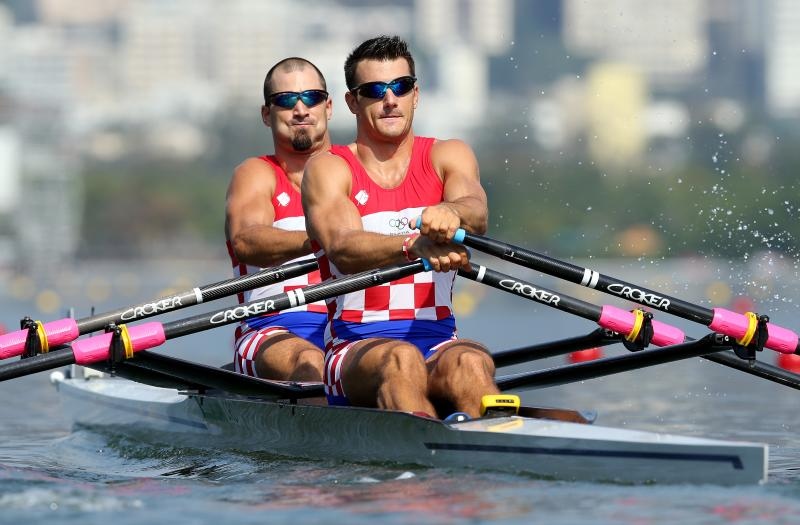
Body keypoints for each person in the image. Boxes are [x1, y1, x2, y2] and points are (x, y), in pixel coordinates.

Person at [302, 36, 500, 418]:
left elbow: (476, 212)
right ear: (352, 102)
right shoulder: (329, 168)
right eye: (375, 90)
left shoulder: (448, 154)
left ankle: (493, 458)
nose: (390, 99)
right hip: (354, 349)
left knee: (472, 363)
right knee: (401, 360)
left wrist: (451, 211)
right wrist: (412, 245)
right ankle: (422, 468)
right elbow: (343, 246)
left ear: (416, 94)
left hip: (440, 341)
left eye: (401, 86)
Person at [225, 57, 338, 381]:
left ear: (328, 107)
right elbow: (247, 241)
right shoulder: (257, 175)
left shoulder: (355, 172)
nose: (301, 109)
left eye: (312, 97)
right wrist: (327, 240)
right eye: (286, 100)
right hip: (269, 332)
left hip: (351, 328)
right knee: (312, 362)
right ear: (266, 114)